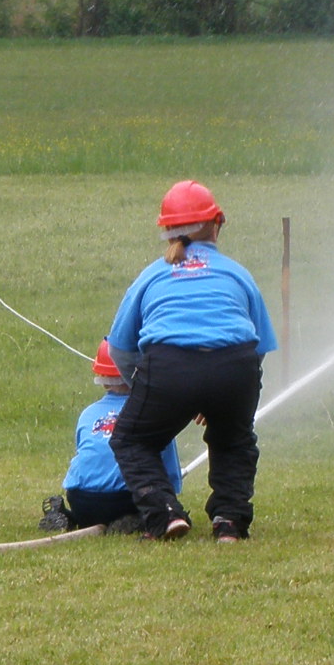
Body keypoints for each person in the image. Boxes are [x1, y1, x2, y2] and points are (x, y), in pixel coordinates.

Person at [103, 181, 276, 543]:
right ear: (218, 223)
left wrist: (147, 392)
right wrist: (217, 395)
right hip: (237, 365)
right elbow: (258, 345)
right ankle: (230, 522)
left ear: (165, 229)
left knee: (131, 440)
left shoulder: (151, 274)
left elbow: (119, 348)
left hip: (168, 366)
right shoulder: (236, 273)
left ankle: (163, 513)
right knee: (234, 440)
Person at [41, 341, 182, 535]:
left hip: (80, 499)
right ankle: (133, 521)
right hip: (125, 499)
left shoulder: (88, 413)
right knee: (160, 508)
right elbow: (170, 475)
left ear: (102, 376)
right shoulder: (153, 414)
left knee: (88, 514)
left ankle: (67, 516)